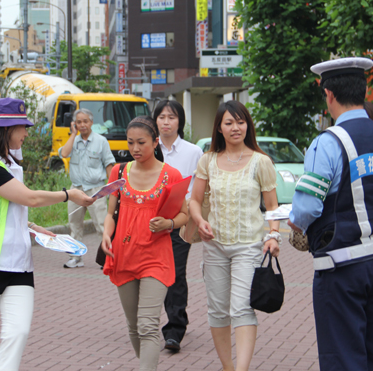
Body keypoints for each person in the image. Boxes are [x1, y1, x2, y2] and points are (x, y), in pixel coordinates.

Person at [0, 98, 95, 371]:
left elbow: (9, 209)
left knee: (17, 333)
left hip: (17, 264)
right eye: (23, 127)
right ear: (6, 129)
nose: (27, 133)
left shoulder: (9, 165)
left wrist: (30, 228)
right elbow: (29, 198)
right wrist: (69, 194)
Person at [288, 57, 373, 371]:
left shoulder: (325, 143)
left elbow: (308, 207)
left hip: (340, 268)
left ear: (328, 94)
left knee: (342, 357)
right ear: (364, 90)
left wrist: (295, 223)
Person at [188, 100, 280, 371]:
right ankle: (228, 367)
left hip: (249, 246)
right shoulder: (208, 160)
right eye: (229, 123)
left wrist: (273, 236)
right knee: (217, 311)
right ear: (219, 128)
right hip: (213, 246)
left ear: (248, 125)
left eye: (240, 122)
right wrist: (199, 220)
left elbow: (273, 207)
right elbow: (194, 200)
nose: (235, 127)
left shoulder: (261, 162)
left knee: (241, 308)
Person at [101, 116, 188, 371]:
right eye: (130, 143)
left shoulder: (171, 175)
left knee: (148, 324)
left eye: (141, 142)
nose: (135, 149)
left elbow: (183, 215)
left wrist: (169, 224)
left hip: (156, 257)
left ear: (155, 142)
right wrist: (106, 235)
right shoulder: (118, 172)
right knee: (134, 326)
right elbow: (110, 214)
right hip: (123, 254)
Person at [153, 99, 203, 352]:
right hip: (152, 223)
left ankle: (174, 329)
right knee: (151, 273)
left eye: (171, 117)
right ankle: (151, 322)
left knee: (175, 273)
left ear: (180, 121)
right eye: (161, 117)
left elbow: (198, 189)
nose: (166, 122)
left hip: (181, 223)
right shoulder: (149, 148)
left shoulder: (193, 152)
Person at [59, 109, 115, 268]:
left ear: (91, 123)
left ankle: (107, 259)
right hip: (76, 189)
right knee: (74, 225)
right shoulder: (73, 141)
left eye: (85, 121)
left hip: (96, 189)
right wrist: (72, 134)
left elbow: (109, 164)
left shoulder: (101, 141)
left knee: (102, 225)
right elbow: (64, 153)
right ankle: (76, 258)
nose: (82, 125)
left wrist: (112, 189)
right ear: (74, 124)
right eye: (79, 122)